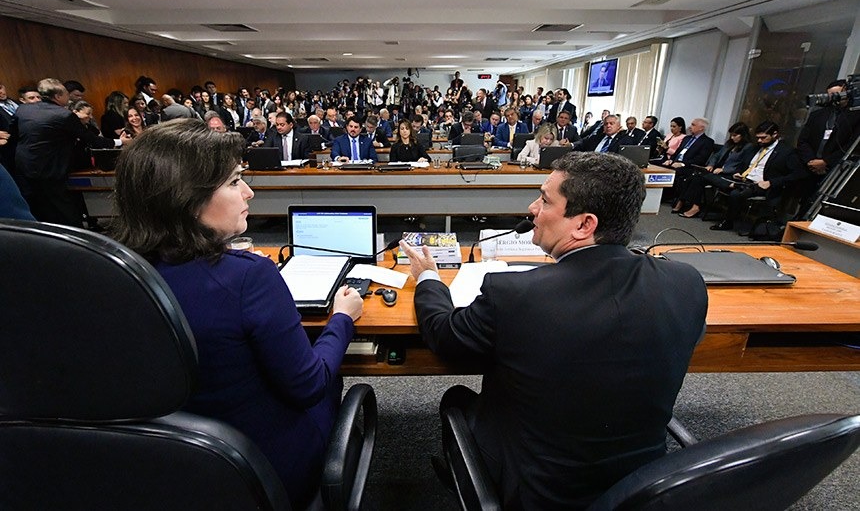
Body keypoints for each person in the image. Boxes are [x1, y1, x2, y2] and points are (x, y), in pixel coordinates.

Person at [399, 151, 707, 509]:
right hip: (643, 487)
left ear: (583, 225)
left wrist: (428, 278)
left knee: (457, 399)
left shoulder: (515, 296)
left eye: (545, 200)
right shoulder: (686, 283)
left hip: (538, 493)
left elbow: (446, 337)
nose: (532, 208)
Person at [110, 120, 363, 509]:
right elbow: (309, 385)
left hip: (160, 469)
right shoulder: (248, 277)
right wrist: (342, 318)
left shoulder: (109, 272)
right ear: (187, 199)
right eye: (233, 182)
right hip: (259, 472)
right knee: (332, 381)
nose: (249, 191)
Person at [12, 78, 122, 225]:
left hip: (24, 167)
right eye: (65, 94)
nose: (68, 97)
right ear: (58, 96)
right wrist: (120, 142)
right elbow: (91, 139)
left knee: (39, 208)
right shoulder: (63, 115)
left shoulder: (23, 109)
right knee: (65, 209)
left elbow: (12, 135)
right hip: (51, 169)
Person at [674, 122, 755, 218]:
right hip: (715, 171)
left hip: (729, 174)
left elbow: (743, 165)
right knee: (694, 176)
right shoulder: (729, 144)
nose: (732, 138)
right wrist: (711, 165)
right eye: (731, 135)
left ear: (743, 135)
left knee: (698, 178)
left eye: (735, 135)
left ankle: (694, 206)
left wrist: (724, 170)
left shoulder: (748, 147)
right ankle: (685, 203)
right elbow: (716, 156)